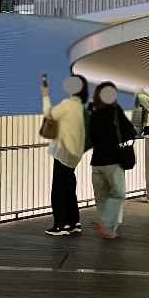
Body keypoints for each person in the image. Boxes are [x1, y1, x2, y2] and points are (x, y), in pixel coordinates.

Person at [41, 74, 89, 236]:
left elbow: (49, 114)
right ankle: (74, 222)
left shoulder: (68, 105)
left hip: (63, 152)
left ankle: (60, 225)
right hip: (75, 154)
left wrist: (45, 95)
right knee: (69, 187)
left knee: (58, 190)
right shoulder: (82, 108)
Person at [86, 82, 134, 239]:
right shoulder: (115, 110)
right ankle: (107, 225)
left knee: (102, 197)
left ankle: (108, 229)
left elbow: (90, 137)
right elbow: (130, 131)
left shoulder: (93, 111)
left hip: (96, 162)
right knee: (118, 194)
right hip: (113, 161)